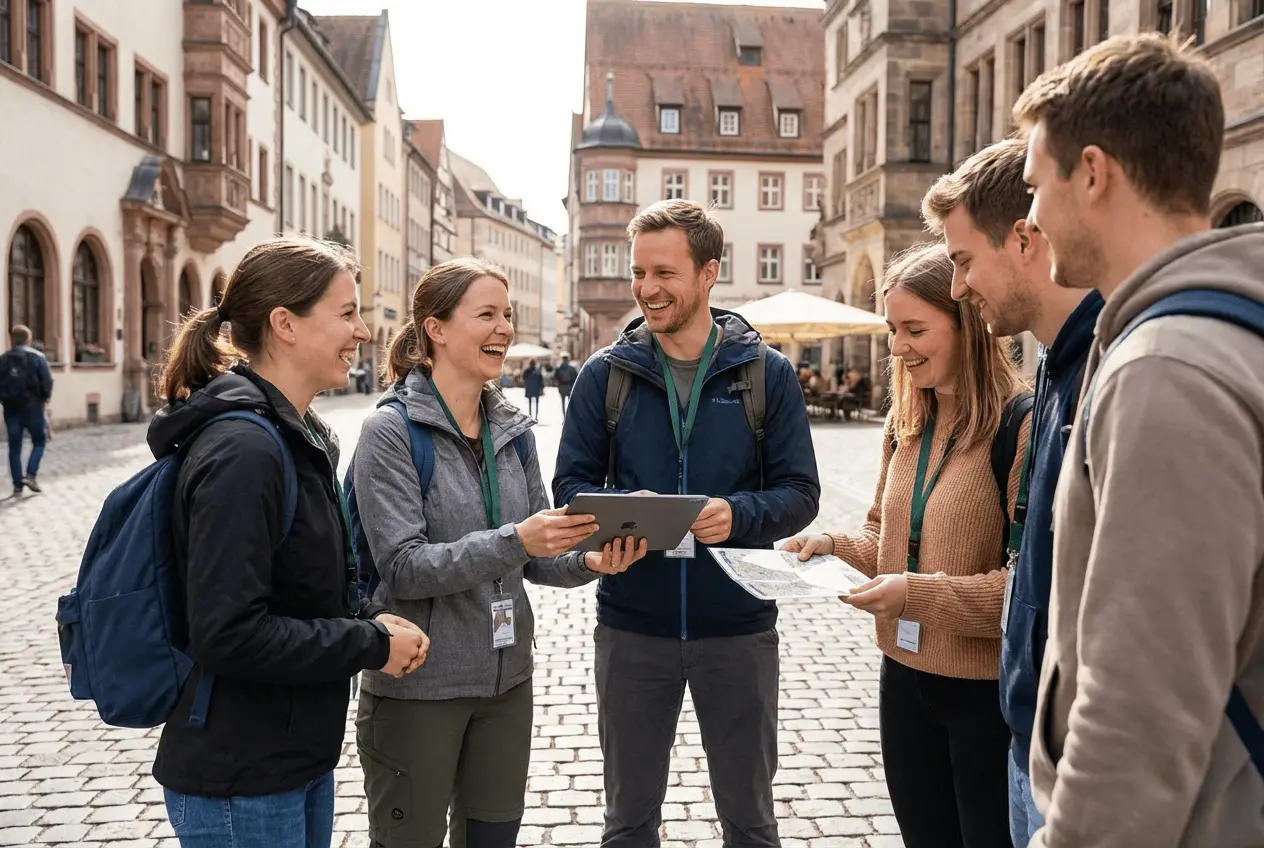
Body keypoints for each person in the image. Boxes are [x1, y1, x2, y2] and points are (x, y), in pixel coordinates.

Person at [1013, 33, 1264, 846]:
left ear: (1092, 173)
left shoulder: (1168, 371)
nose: (1031, 217)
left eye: (1035, 184)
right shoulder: (1223, 330)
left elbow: (1141, 711)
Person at [351, 257, 647, 848]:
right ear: (435, 328)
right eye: (486, 314)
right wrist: (518, 539)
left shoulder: (511, 430)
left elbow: (537, 559)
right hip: (421, 688)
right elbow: (404, 568)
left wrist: (590, 560)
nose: (504, 328)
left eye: (506, 314)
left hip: (506, 685)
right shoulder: (389, 432)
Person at [553, 199, 821, 848]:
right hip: (632, 628)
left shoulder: (767, 375)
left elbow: (801, 492)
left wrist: (740, 514)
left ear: (708, 273)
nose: (647, 288)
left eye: (664, 273)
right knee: (627, 824)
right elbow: (569, 486)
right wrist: (615, 518)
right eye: (639, 272)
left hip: (737, 629)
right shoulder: (604, 376)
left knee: (751, 823)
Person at [148, 236, 430, 848]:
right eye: (346, 312)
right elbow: (229, 633)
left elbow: (299, 589)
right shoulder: (244, 451)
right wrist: (370, 642)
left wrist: (362, 613)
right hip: (239, 774)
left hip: (289, 756)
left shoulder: (294, 434)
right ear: (285, 324)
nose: (361, 330)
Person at [783, 243, 1031, 848]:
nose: (897, 348)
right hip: (902, 678)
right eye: (894, 329)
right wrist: (830, 545)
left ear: (969, 325)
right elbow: (883, 535)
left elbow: (1025, 587)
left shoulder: (1018, 424)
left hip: (984, 696)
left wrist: (914, 594)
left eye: (915, 329)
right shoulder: (906, 421)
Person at [920, 136, 1102, 847]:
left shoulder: (1110, 367)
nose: (959, 287)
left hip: (1076, 772)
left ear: (1023, 239)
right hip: (1028, 741)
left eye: (963, 261)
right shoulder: (1060, 366)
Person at [0, 324, 53, 496]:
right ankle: (30, 475)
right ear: (28, 339)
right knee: (39, 440)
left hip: (11, 409)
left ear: (12, 340)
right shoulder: (37, 357)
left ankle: (17, 484)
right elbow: (47, 382)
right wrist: (44, 400)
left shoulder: (4, 359)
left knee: (14, 446)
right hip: (33, 408)